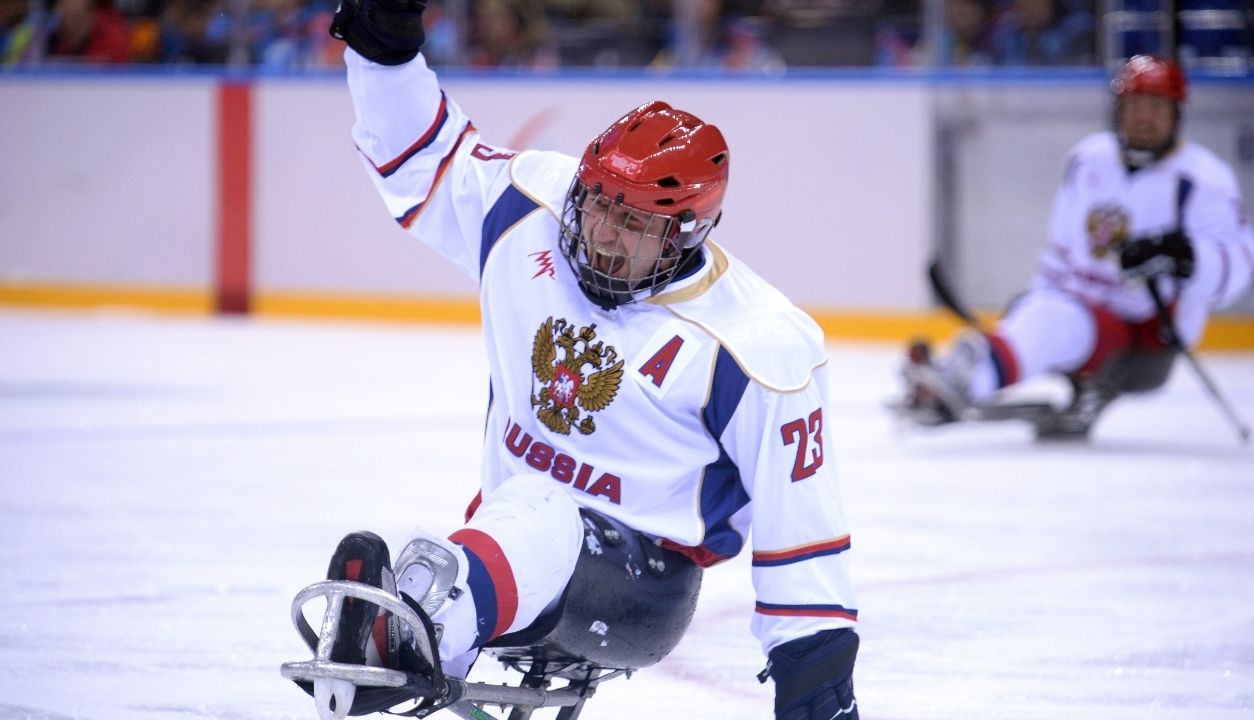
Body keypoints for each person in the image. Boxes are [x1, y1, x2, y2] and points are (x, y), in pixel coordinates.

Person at [288, 0, 861, 717]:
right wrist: (384, 51)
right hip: (508, 544)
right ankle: (421, 621)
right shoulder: (530, 210)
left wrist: (818, 690)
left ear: (687, 232)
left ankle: (412, 631)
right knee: (507, 517)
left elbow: (802, 533)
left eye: (634, 221)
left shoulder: (757, 342)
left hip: (643, 588)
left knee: (535, 508)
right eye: (598, 204)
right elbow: (419, 161)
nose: (602, 233)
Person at [900, 55, 1254, 427]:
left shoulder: (1202, 179)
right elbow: (1061, 250)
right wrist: (1033, 307)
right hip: (1079, 313)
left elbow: (1244, 265)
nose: (1143, 117)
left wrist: (1183, 256)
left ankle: (962, 381)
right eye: (1134, 105)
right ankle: (976, 363)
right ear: (1117, 109)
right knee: (1046, 314)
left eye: (1156, 107)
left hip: (1146, 336)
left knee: (1056, 321)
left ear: (1177, 113)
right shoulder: (1089, 158)